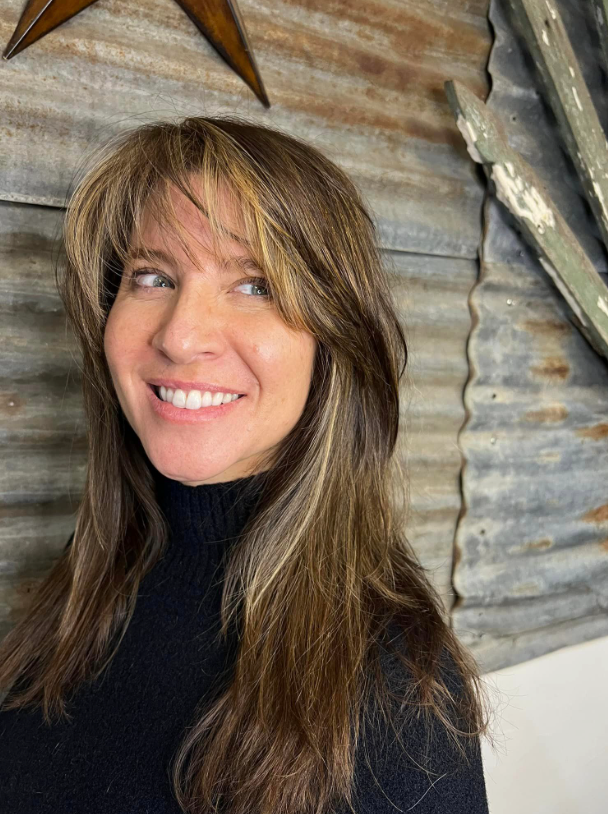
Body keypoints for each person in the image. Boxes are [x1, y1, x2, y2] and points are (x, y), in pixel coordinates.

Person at [0, 116, 494, 813]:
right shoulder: (85, 585)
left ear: (337, 338)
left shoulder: (398, 691)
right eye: (150, 276)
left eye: (255, 284)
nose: (180, 334)